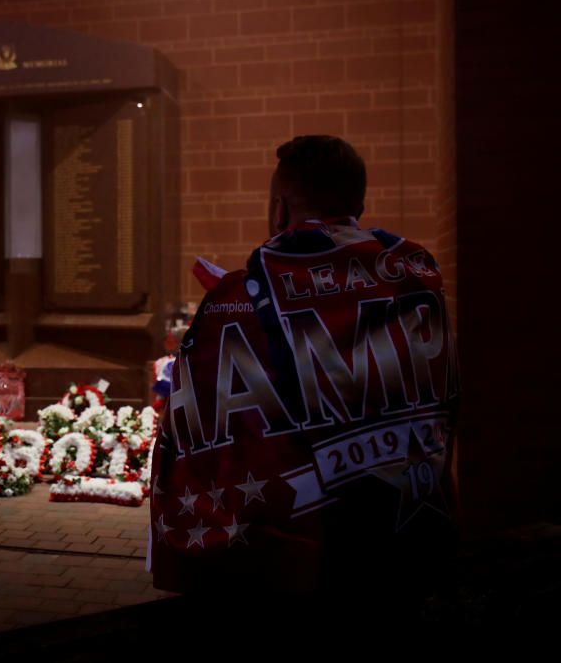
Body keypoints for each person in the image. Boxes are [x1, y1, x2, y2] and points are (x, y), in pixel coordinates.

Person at [148, 136, 459, 618]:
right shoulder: (417, 273)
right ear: (359, 204)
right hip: (409, 543)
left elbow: (193, 440)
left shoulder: (237, 299)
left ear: (279, 209)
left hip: (291, 568)